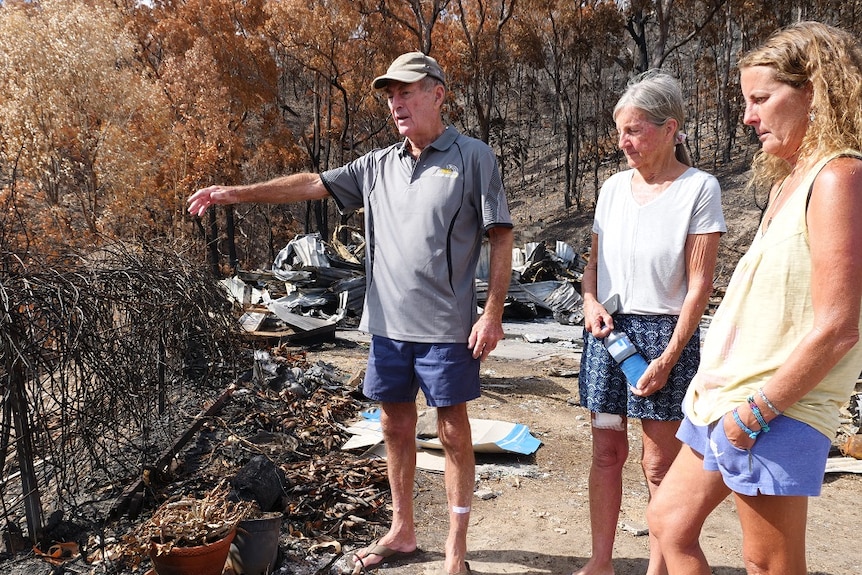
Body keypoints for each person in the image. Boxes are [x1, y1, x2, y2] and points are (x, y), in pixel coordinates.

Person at [187, 51, 514, 575]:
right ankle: (402, 531)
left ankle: (456, 546)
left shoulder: (473, 157)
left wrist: (492, 312)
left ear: (438, 93)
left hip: (448, 328)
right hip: (386, 327)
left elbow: (501, 238)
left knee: (453, 432)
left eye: (407, 92)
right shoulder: (377, 164)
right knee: (394, 426)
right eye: (391, 95)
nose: (397, 103)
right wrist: (232, 194)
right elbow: (312, 183)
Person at [647, 21, 862, 575]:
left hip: (776, 404)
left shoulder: (839, 178)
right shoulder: (790, 180)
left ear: (816, 90)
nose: (748, 116)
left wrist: (758, 412)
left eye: (761, 99)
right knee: (668, 526)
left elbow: (840, 325)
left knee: (769, 564)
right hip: (726, 397)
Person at [574, 70, 725, 575]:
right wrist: (590, 301)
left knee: (660, 465)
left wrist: (668, 358)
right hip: (607, 334)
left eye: (635, 130)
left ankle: (660, 568)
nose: (624, 142)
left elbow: (700, 284)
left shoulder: (699, 189)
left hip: (666, 339)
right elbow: (592, 264)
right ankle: (601, 562)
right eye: (620, 130)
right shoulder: (613, 189)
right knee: (606, 452)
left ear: (670, 129)